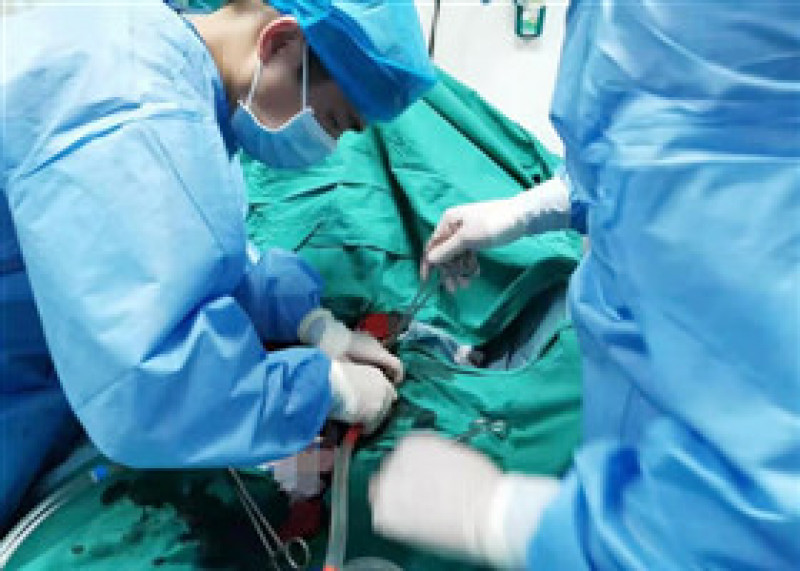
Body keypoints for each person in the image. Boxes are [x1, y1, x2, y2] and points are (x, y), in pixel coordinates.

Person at [370, 1, 800, 568]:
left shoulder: (696, 28)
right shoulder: (637, 27)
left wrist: (500, 517)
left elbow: (746, 529)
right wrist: (530, 210)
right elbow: (636, 148)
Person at [0, 0, 435, 529]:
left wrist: (310, 323)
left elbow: (186, 247)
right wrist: (319, 390)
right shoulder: (131, 114)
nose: (329, 146)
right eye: (332, 122)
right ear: (279, 43)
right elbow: (148, 393)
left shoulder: (159, 60)